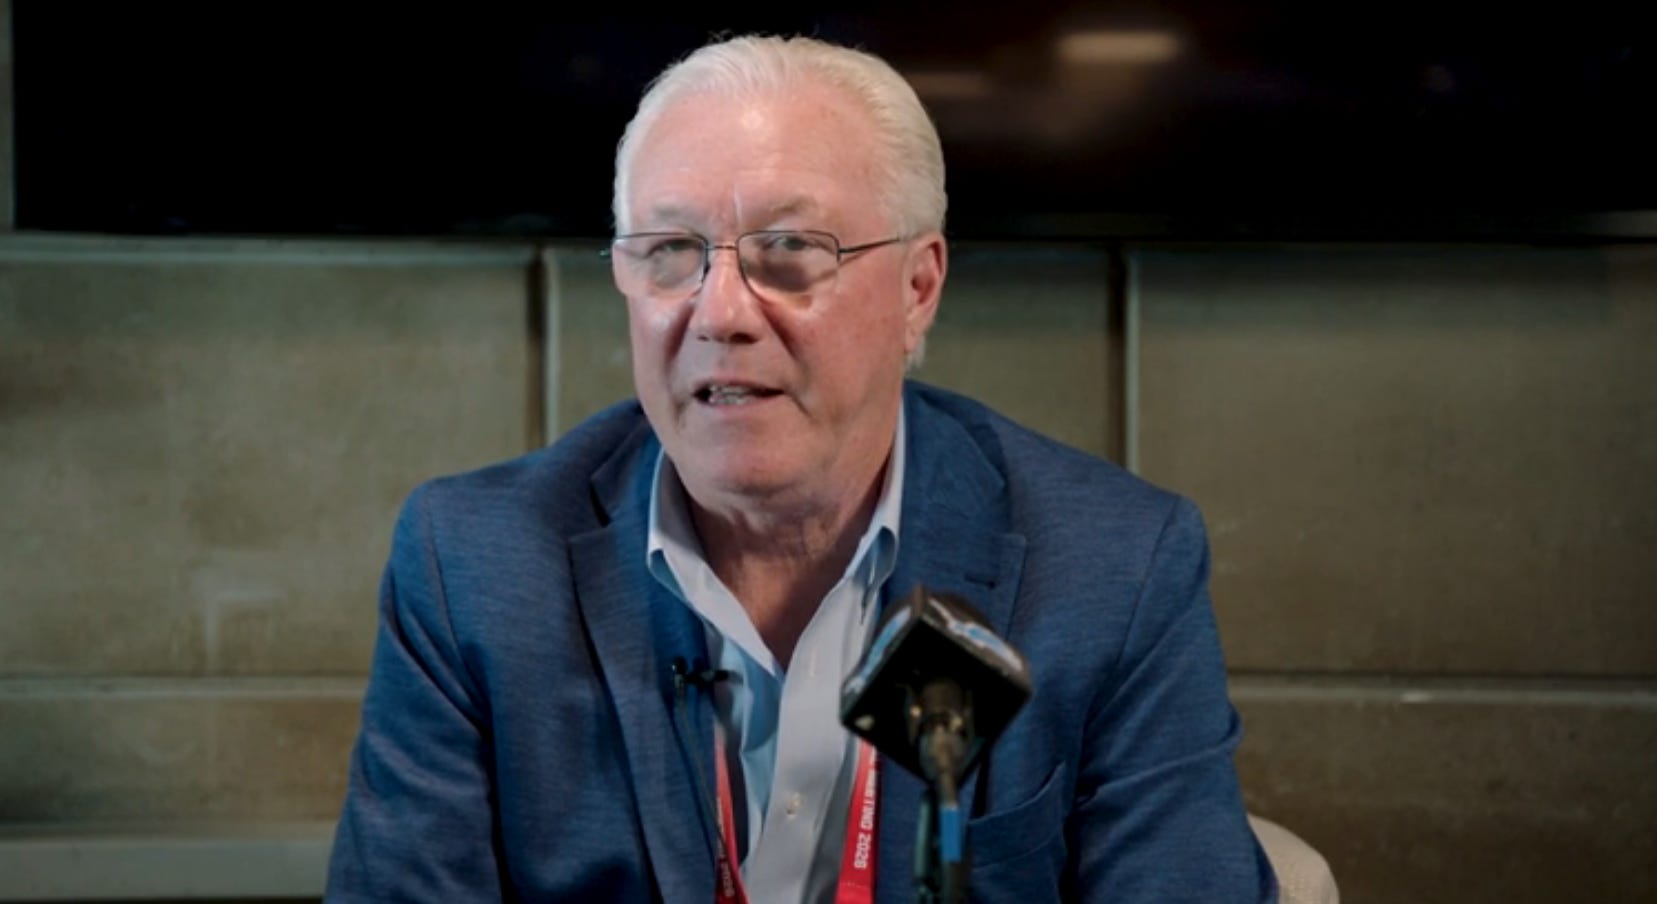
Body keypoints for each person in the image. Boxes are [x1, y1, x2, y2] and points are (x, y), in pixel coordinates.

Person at [325, 33, 1276, 904]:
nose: (719, 313)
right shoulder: (472, 567)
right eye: (670, 253)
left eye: (788, 252)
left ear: (917, 287)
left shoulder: (1115, 568)